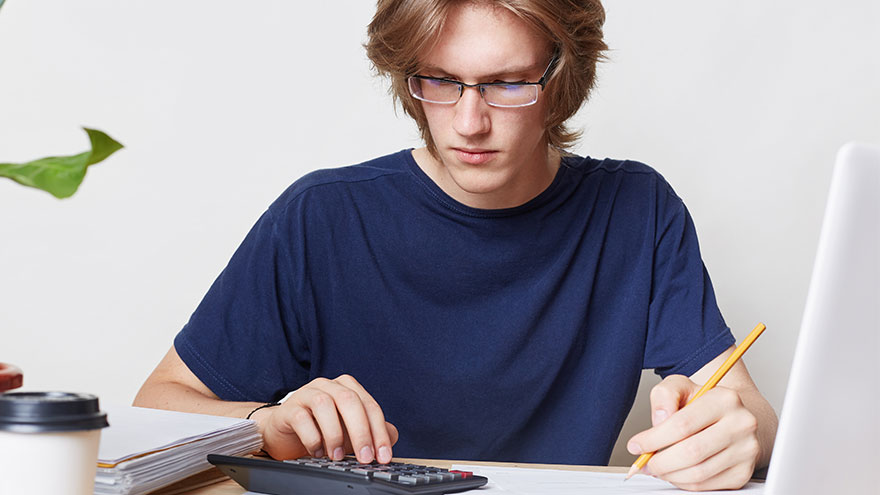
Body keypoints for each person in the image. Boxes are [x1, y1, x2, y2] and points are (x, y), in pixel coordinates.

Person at [134, 0, 778, 490]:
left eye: (507, 82)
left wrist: (742, 435)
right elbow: (159, 403)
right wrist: (266, 420)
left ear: (563, 78)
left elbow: (744, 406)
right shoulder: (322, 215)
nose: (469, 123)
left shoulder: (635, 209)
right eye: (441, 81)